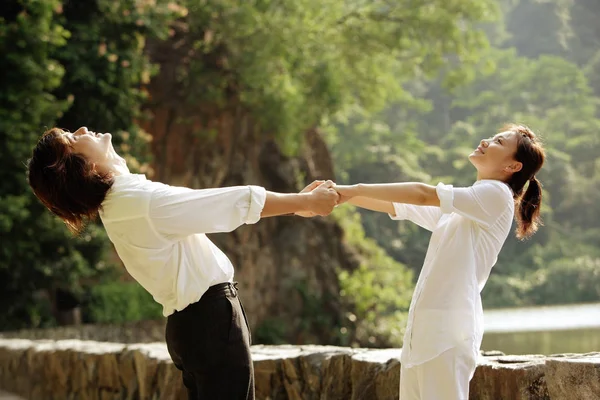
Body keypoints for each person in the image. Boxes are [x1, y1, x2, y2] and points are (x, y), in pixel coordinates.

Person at [26, 126, 339, 400]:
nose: (82, 129)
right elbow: (228, 203)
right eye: (73, 138)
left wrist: (300, 204)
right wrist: (304, 203)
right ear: (83, 166)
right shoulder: (136, 202)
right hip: (209, 320)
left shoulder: (122, 204)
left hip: (193, 325)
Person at [333, 124, 546, 400]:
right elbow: (400, 206)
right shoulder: (465, 206)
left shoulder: (496, 196)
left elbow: (423, 194)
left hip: (447, 337)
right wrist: (338, 195)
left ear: (513, 166)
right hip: (422, 338)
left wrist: (352, 188)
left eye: (498, 141)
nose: (485, 141)